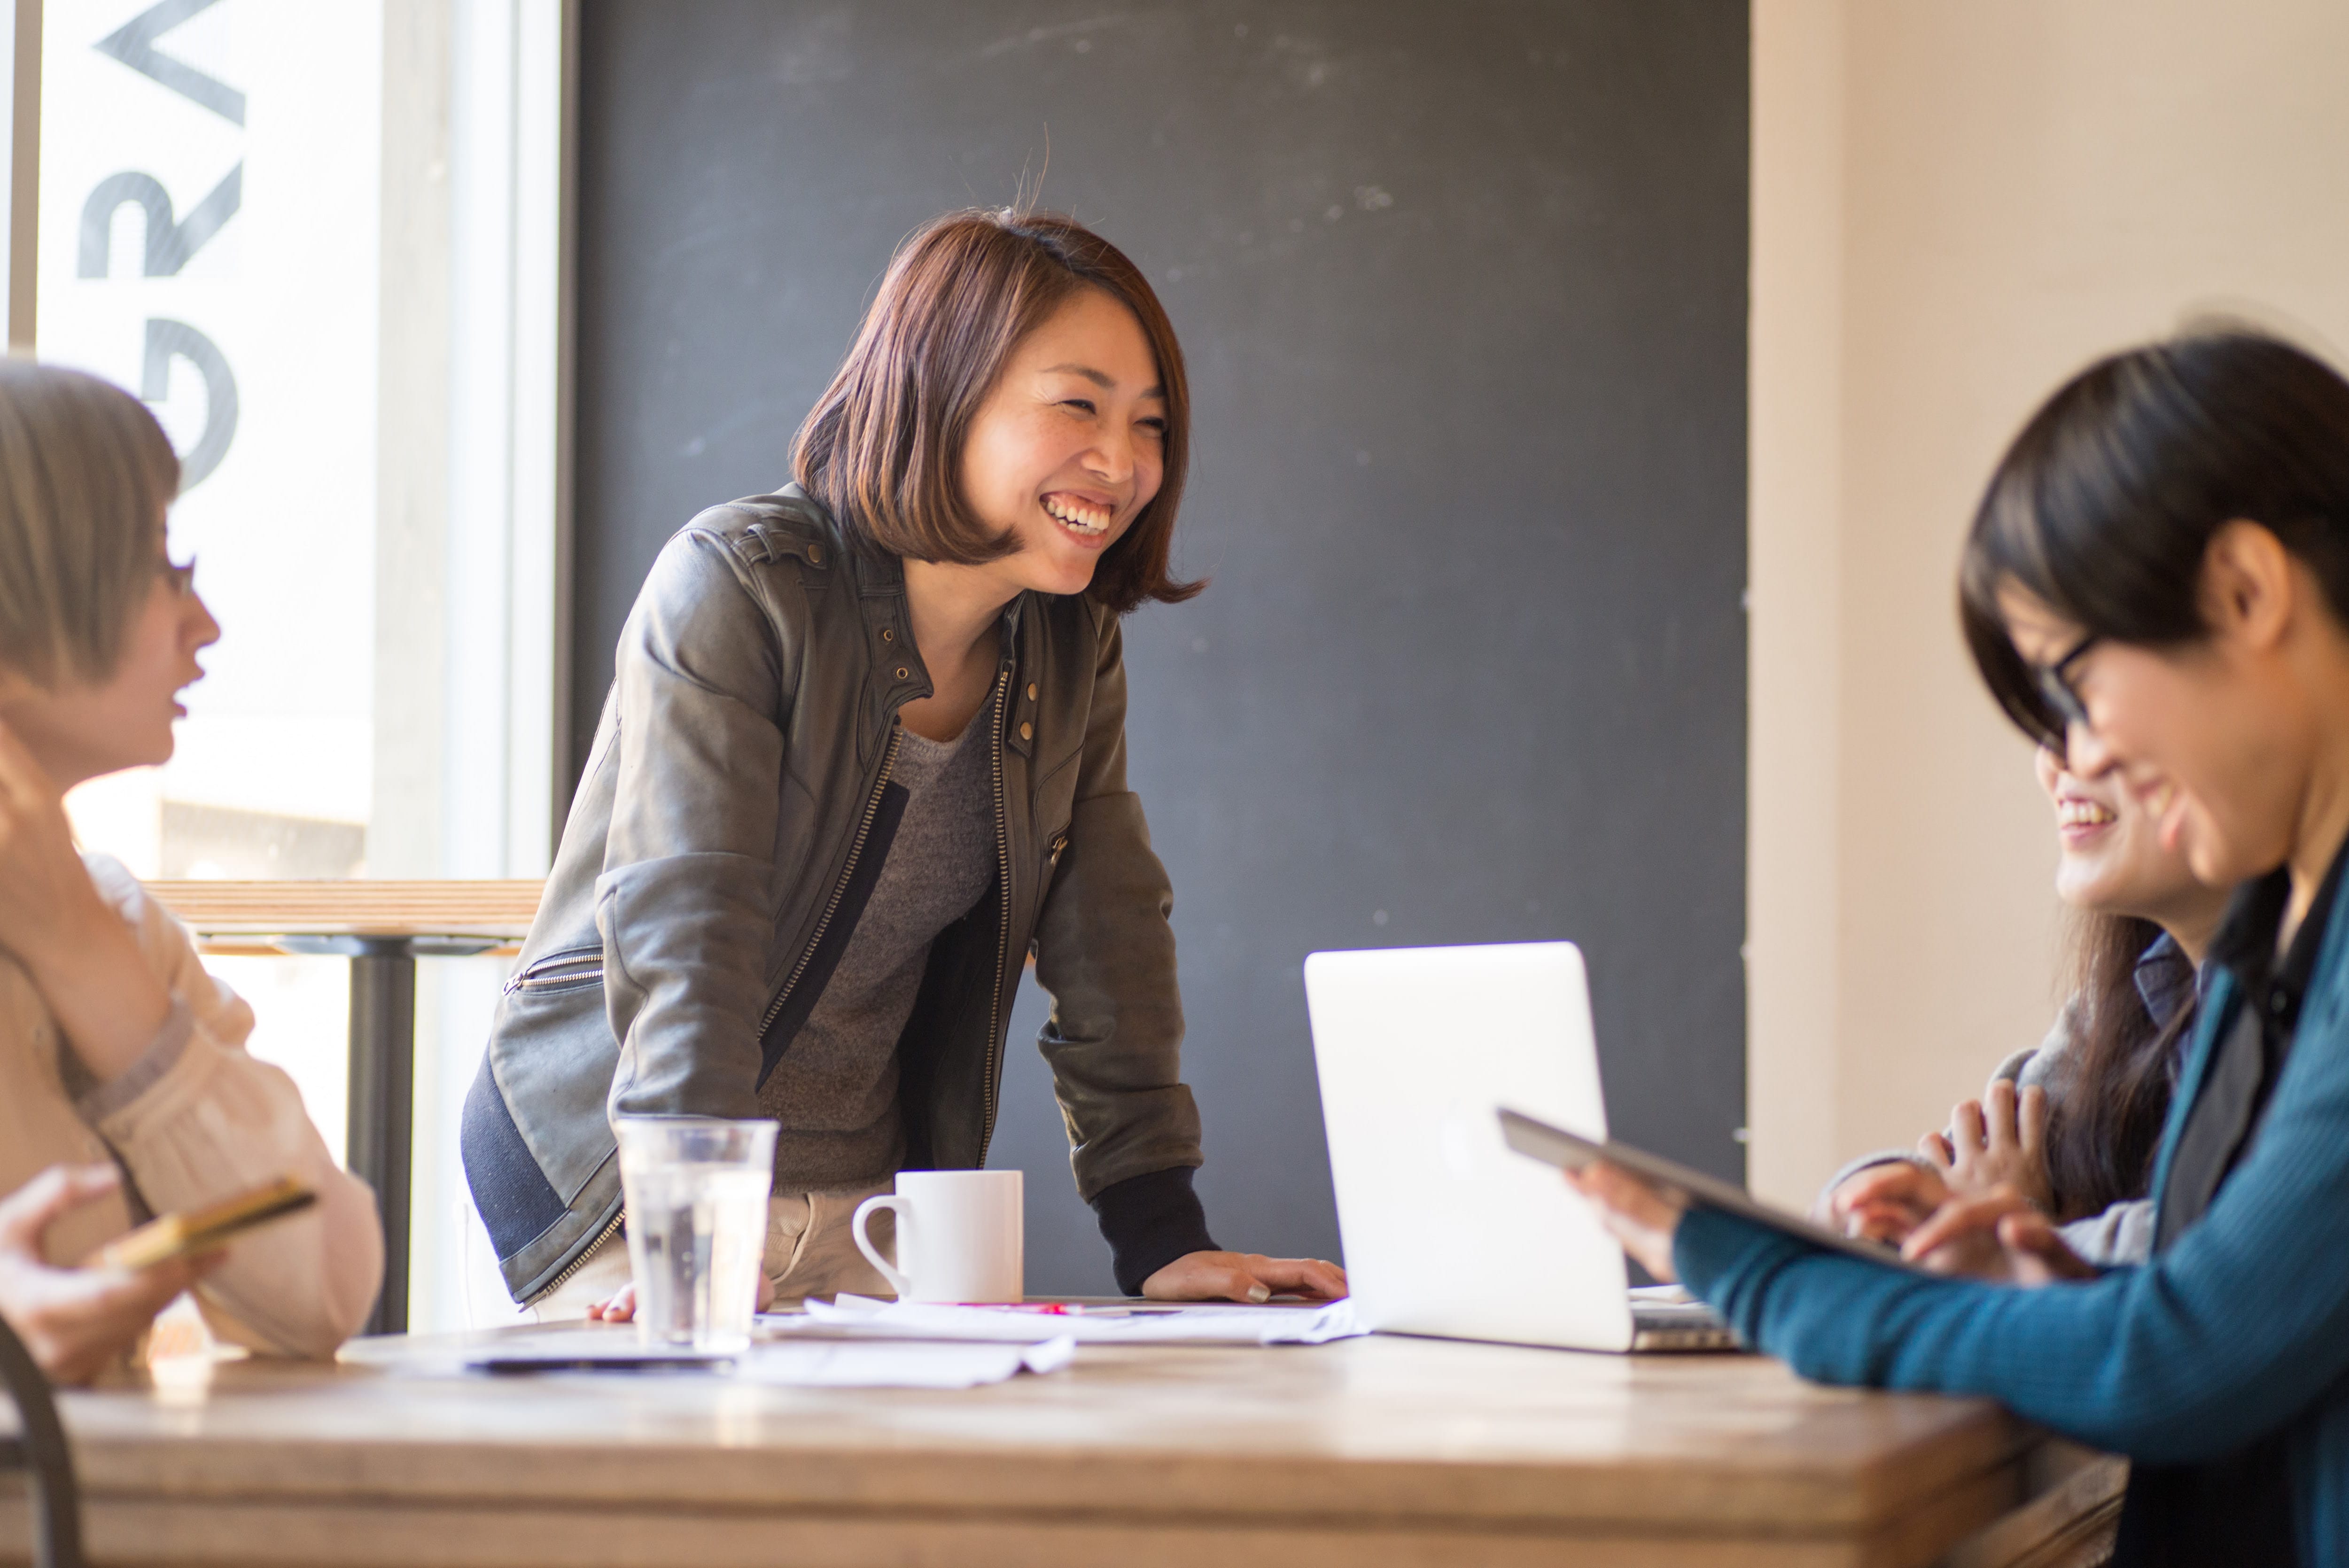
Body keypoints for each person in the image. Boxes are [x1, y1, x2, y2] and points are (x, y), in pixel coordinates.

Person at [464, 209, 1346, 1314]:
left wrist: (1162, 1232)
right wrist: (691, 1225)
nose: (1121, 463)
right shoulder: (740, 586)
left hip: (871, 1200)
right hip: (620, 1182)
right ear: (942, 389)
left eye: (1150, 422)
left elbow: (1107, 930)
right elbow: (689, 926)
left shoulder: (1066, 643)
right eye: (1076, 403)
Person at [1564, 327, 2349, 1564]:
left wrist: (1759, 1276)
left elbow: (2186, 1361)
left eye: (2077, 687)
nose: (2076, 756)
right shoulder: (2271, 945)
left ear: (2249, 592)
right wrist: (2045, 1291)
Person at [0, 362, 382, 1382]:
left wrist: (89, 963)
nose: (203, 624)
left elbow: (326, 1292)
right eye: (164, 568)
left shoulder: (120, 927)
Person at [1819, 744, 2229, 1266]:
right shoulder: (2139, 990)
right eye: (2049, 713)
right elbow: (1957, 1163)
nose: (2054, 755)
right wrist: (1858, 1205)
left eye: (2090, 706)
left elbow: (2250, 1240)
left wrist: (2010, 1233)